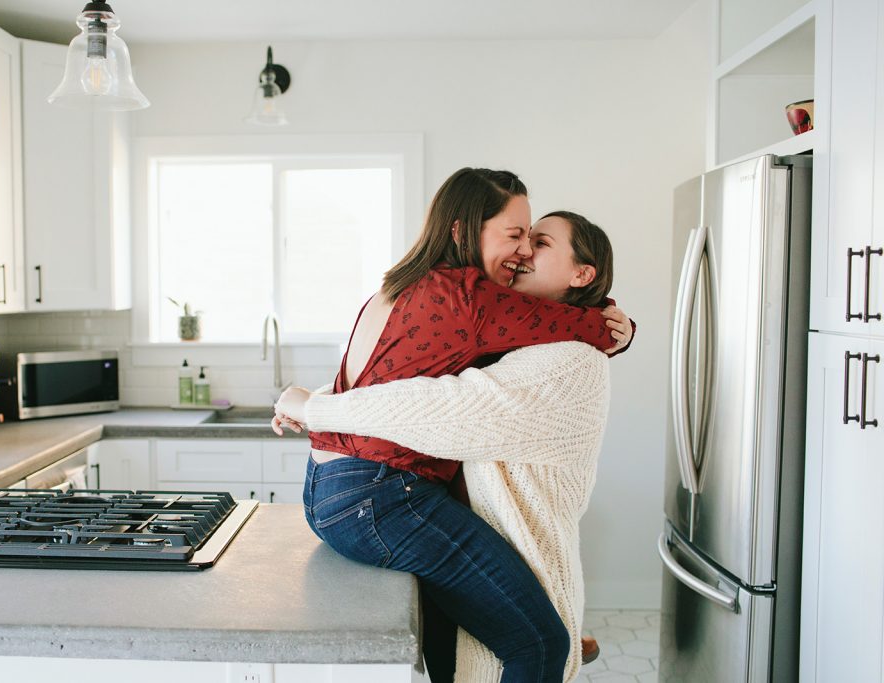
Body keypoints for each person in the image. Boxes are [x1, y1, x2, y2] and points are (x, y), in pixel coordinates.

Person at [271, 167, 633, 683]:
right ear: (464, 230)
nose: (524, 251)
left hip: (330, 489)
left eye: (532, 239)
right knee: (541, 641)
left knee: (450, 629)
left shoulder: (402, 285)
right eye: (515, 236)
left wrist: (315, 402)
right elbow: (577, 325)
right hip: (382, 497)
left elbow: (374, 385)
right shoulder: (469, 298)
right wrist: (615, 326)